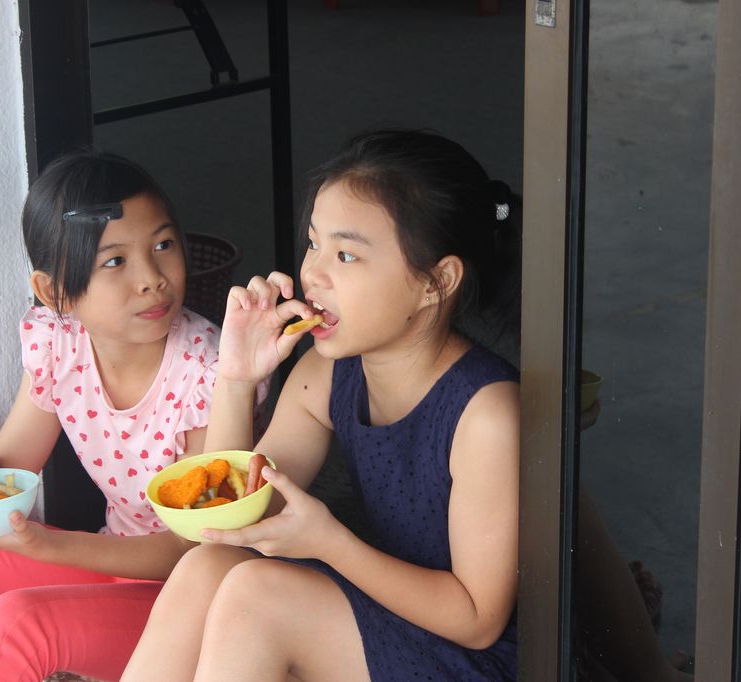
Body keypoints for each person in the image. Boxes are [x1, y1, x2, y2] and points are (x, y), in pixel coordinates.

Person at [122, 128, 522, 681]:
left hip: (471, 657)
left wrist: (331, 542)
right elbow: (225, 520)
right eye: (314, 244)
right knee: (209, 564)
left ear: (436, 282)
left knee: (258, 594)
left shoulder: (486, 412)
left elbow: (478, 620)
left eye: (346, 254)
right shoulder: (327, 375)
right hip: (384, 618)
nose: (312, 273)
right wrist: (236, 378)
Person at [0, 149, 266, 682]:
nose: (152, 278)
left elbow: (194, 548)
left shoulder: (207, 371)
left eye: (163, 245)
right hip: (103, 568)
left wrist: (49, 544)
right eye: (114, 261)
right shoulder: (61, 343)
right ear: (54, 293)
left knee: (18, 622)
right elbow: (9, 474)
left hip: (180, 606)